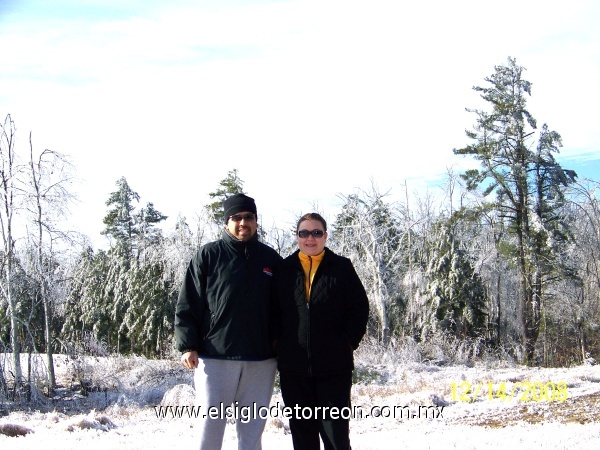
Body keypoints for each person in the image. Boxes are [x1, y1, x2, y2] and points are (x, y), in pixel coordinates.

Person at [175, 193, 282, 450]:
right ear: (226, 222)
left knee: (253, 431)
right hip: (215, 357)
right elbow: (188, 302)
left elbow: (284, 309)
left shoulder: (271, 260)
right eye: (236, 217)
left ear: (256, 222)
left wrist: (282, 346)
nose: (243, 222)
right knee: (210, 429)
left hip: (261, 359)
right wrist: (188, 344)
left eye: (248, 217)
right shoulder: (208, 256)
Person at [273, 212, 369, 450]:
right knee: (303, 436)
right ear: (297, 236)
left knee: (335, 435)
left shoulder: (342, 268)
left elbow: (359, 307)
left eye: (316, 233)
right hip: (294, 369)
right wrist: (278, 345)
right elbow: (272, 311)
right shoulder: (284, 270)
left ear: (325, 236)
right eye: (304, 233)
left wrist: (347, 342)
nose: (310, 239)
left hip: (334, 369)